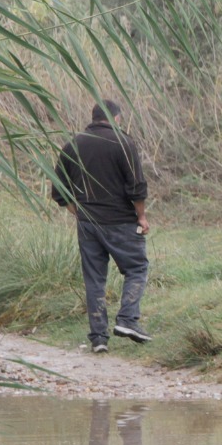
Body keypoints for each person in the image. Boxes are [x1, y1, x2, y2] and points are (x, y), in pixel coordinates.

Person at [51, 100, 150, 353]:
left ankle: (98, 338)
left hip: (87, 224)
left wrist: (78, 212)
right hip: (121, 222)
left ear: (93, 118)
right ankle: (127, 320)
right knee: (137, 268)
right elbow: (136, 186)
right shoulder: (123, 142)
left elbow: (58, 189)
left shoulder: (73, 144)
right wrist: (141, 216)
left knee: (94, 279)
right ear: (116, 118)